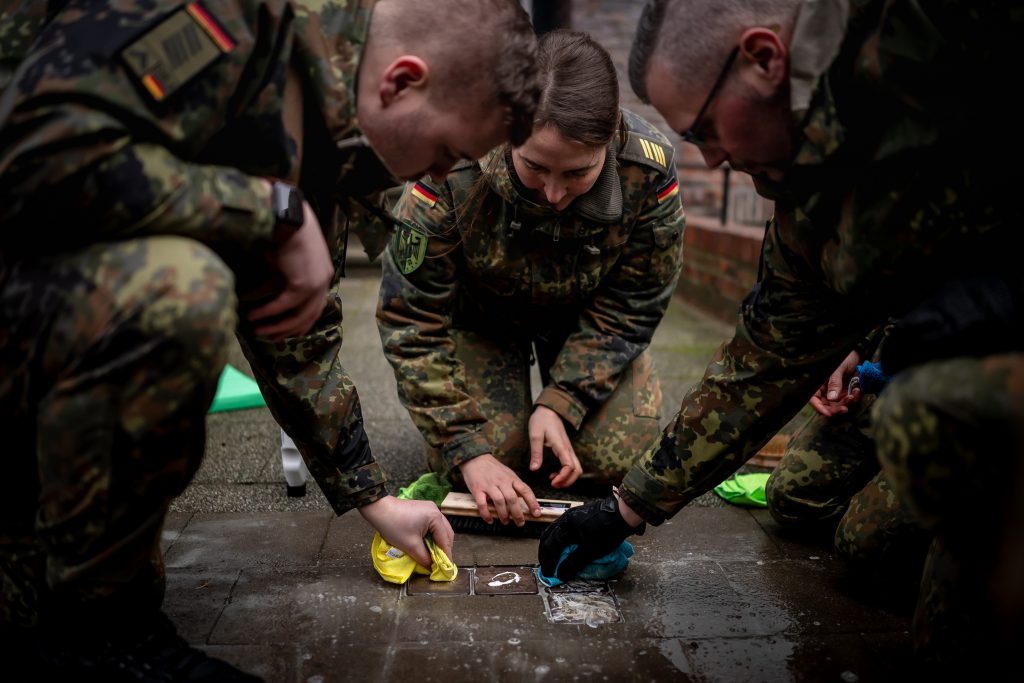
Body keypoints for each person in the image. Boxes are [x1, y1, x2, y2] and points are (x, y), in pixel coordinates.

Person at [0, 0, 539, 679]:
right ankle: (96, 635)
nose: (435, 180)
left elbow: (296, 331)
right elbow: (32, 152)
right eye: (445, 154)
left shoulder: (334, 116)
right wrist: (274, 213)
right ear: (401, 81)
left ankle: (94, 626)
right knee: (180, 288)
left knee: (54, 599)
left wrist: (373, 499)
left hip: (42, 325)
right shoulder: (229, 13)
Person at [538, 0, 1023, 673]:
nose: (713, 157)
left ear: (765, 60)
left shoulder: (953, 37)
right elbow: (762, 360)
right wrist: (625, 507)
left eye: (707, 127)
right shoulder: (803, 187)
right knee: (860, 535)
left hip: (972, 392)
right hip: (928, 375)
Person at [376, 29, 685, 527]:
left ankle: (549, 404)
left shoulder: (645, 171)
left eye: (577, 174)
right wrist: (466, 448)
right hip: (482, 324)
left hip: (586, 325)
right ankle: (488, 420)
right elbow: (410, 319)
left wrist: (563, 402)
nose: (554, 193)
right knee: (490, 458)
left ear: (610, 142)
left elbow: (636, 301)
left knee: (616, 461)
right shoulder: (451, 165)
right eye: (535, 167)